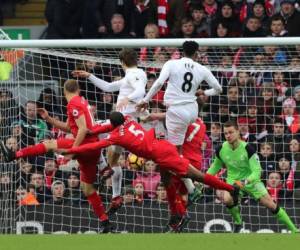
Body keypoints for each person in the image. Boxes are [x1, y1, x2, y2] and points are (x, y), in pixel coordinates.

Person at [58, 112, 240, 208]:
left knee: (198, 176)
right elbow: (109, 124)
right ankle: (177, 217)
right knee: (168, 181)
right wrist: (93, 131)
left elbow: (93, 146)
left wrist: (73, 149)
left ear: (112, 126)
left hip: (162, 156)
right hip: (163, 146)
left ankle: (230, 189)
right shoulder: (129, 119)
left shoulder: (115, 138)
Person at [0, 79, 111, 233]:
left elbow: (83, 129)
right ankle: (105, 221)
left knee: (49, 144)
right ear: (78, 89)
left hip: (85, 146)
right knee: (88, 190)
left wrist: (74, 150)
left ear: (64, 91)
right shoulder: (81, 102)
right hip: (93, 150)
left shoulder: (74, 103)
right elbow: (68, 127)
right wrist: (48, 119)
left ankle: (14, 154)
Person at [137, 40, 222, 202]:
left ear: (182, 52)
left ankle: (193, 186)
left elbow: (159, 83)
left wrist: (146, 99)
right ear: (196, 54)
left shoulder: (171, 63)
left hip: (176, 111)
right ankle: (190, 185)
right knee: (178, 150)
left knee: (173, 154)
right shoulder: (202, 68)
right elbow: (219, 89)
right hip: (192, 111)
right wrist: (204, 92)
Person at [71, 48, 147, 214]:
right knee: (114, 161)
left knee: (87, 131)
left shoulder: (135, 74)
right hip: (127, 124)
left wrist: (128, 98)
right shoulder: (132, 75)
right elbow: (108, 87)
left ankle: (103, 167)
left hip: (120, 122)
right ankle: (116, 196)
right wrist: (89, 75)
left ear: (122, 62)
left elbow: (140, 90)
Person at [207, 120, 299, 233]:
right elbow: (214, 167)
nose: (228, 135)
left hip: (251, 180)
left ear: (237, 131)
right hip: (233, 180)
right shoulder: (221, 149)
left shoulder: (248, 148)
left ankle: (294, 230)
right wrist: (202, 179)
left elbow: (257, 171)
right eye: (226, 133)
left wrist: (245, 181)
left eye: (231, 132)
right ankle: (238, 223)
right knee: (226, 199)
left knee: (271, 205)